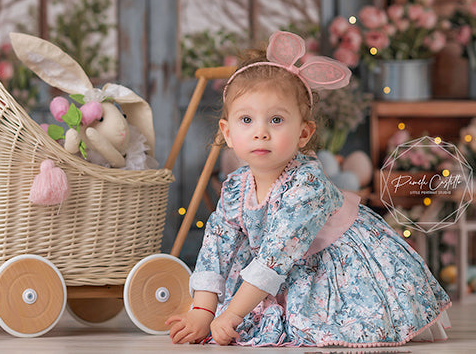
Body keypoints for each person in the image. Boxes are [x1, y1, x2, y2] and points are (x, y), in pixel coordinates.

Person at [166, 31, 451, 347]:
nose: (260, 132)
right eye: (246, 120)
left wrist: (232, 314)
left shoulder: (307, 185)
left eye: (276, 120)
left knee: (326, 318)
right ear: (228, 132)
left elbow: (276, 256)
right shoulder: (236, 186)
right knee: (234, 270)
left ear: (303, 133)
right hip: (283, 263)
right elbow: (217, 244)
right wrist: (202, 310)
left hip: (331, 259)